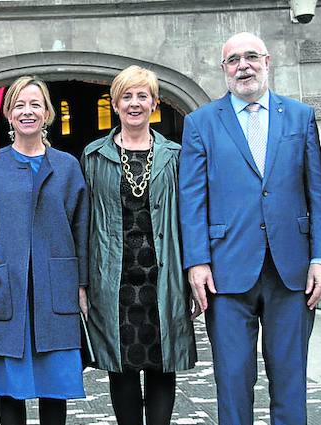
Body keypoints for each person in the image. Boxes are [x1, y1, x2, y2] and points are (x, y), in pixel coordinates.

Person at [179, 32, 321, 424]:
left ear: (268, 62)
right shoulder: (200, 123)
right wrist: (197, 261)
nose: (243, 66)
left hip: (292, 271)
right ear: (224, 70)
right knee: (232, 379)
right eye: (233, 60)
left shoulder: (299, 116)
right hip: (226, 272)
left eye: (251, 57)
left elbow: (317, 192)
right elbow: (192, 200)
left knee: (290, 378)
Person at [0, 76, 88, 425]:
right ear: (8, 115)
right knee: (9, 388)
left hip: (55, 290)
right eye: (19, 105)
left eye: (35, 105)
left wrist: (82, 286)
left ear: (48, 114)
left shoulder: (68, 167)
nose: (27, 112)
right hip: (6, 287)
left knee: (55, 386)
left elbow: (82, 229)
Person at [80, 65, 196, 425]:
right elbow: (82, 224)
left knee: (164, 363)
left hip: (164, 275)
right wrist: (82, 282)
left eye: (142, 96)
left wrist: (193, 273)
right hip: (114, 278)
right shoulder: (94, 155)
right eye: (126, 96)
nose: (134, 103)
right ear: (115, 104)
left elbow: (188, 218)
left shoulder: (176, 155)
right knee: (121, 366)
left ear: (155, 103)